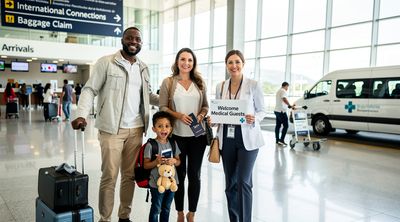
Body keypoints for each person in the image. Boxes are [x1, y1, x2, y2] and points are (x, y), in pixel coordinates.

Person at [71, 26, 159, 222]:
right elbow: (89, 90)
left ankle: (124, 216)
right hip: (111, 129)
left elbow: (148, 95)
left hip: (136, 129)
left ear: (141, 43)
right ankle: (105, 218)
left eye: (137, 39)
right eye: (129, 38)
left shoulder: (143, 68)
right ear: (122, 40)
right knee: (109, 175)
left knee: (129, 176)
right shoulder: (106, 63)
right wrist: (81, 115)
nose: (133, 41)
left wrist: (169, 101)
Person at [211, 50, 267, 222]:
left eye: (237, 62)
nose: (233, 66)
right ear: (226, 65)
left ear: (243, 64)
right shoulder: (220, 86)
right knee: (231, 184)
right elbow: (220, 110)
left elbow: (262, 110)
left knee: (244, 182)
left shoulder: (253, 85)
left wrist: (254, 118)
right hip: (226, 138)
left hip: (247, 138)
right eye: (230, 62)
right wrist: (214, 120)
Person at [159, 48, 209, 222]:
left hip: (198, 136)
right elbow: (162, 107)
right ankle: (179, 212)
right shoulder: (169, 82)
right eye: (183, 59)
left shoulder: (200, 82)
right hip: (177, 136)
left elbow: (205, 106)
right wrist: (178, 115)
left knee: (195, 174)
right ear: (177, 61)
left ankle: (192, 213)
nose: (186, 63)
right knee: (178, 175)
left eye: (189, 60)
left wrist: (201, 115)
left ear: (193, 63)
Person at [144, 111, 181, 222]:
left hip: (172, 183)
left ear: (170, 128)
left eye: (166, 126)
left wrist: (174, 160)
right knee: (156, 208)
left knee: (166, 208)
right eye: (160, 126)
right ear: (154, 129)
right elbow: (146, 165)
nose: (163, 129)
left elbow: (179, 161)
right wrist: (156, 162)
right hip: (156, 184)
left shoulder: (173, 144)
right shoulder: (151, 145)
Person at [274, 82, 293, 146]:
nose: (287, 88)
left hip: (277, 110)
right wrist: (289, 105)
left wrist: (288, 106)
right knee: (286, 126)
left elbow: (281, 101)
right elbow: (284, 99)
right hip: (281, 111)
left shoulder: (279, 91)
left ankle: (277, 140)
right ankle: (281, 140)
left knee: (278, 126)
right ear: (286, 86)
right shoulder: (283, 91)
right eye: (287, 87)